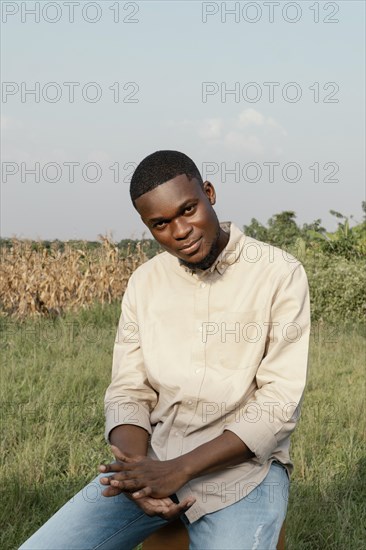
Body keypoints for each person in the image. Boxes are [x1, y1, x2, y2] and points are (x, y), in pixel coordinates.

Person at [20, 150, 311, 550]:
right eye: (161, 223)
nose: (180, 230)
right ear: (148, 226)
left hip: (244, 471)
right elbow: (129, 389)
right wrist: (136, 474)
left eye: (188, 209)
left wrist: (181, 469)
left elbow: (278, 401)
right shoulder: (145, 282)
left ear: (208, 193)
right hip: (153, 463)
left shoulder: (279, 272)